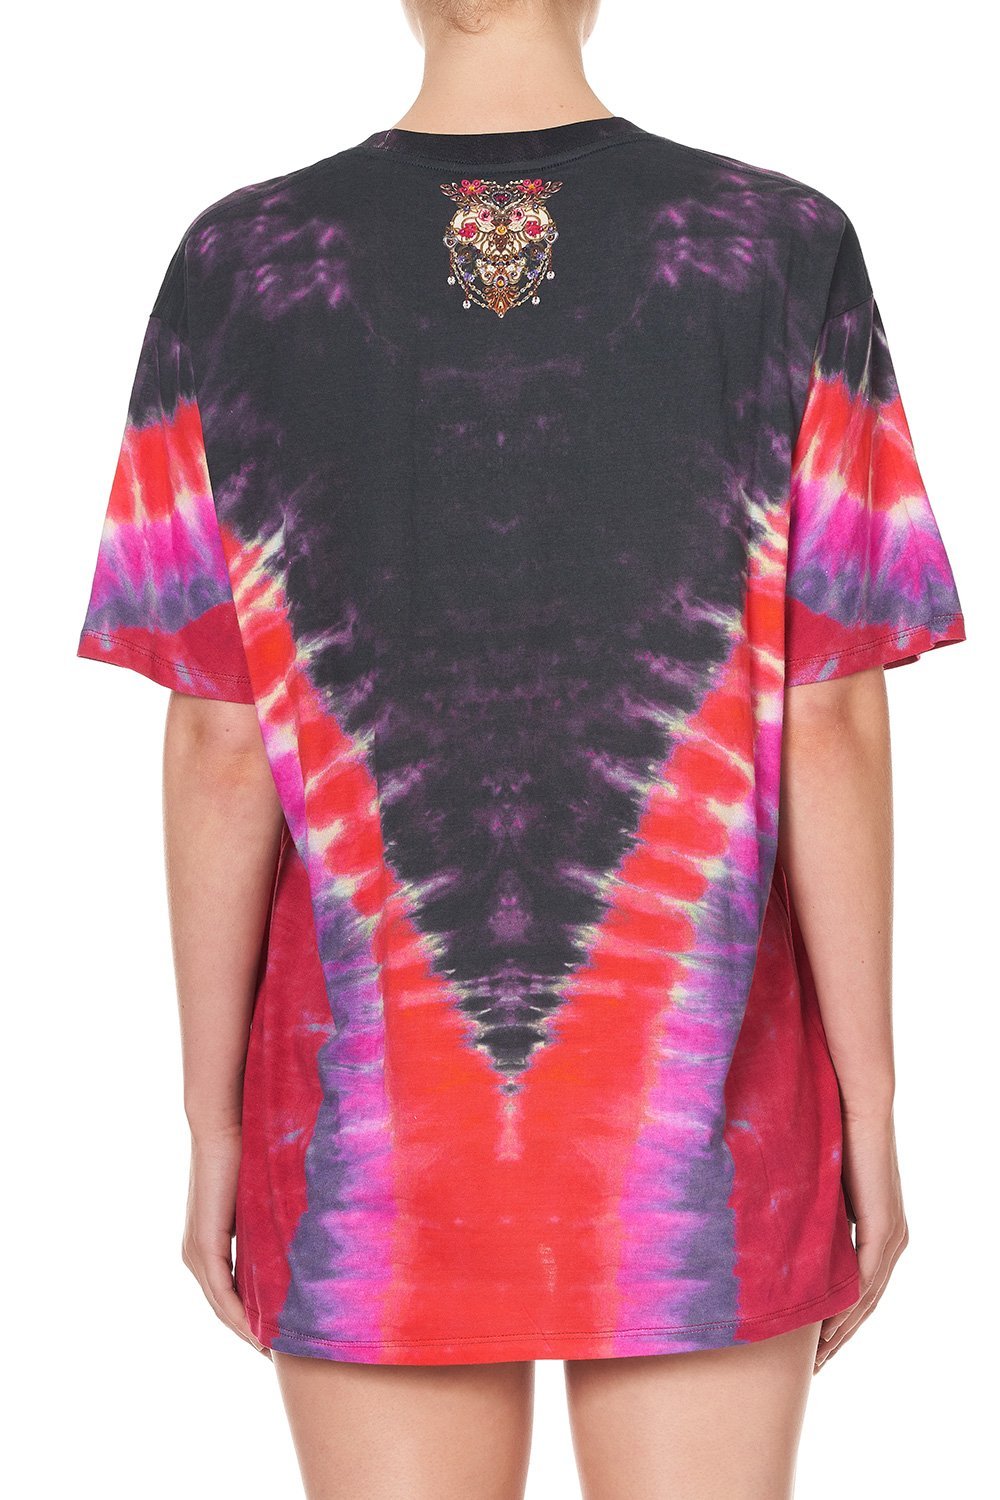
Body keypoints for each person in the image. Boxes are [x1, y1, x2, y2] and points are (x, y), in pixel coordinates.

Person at [74, 0, 966, 1495]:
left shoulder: (240, 267)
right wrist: (871, 1107)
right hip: (703, 1114)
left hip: (368, 1120)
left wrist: (211, 1120)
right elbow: (829, 710)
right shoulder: (779, 248)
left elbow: (222, 742)